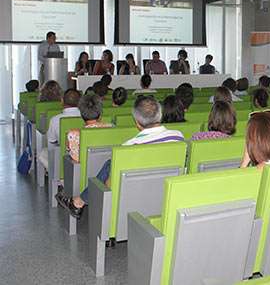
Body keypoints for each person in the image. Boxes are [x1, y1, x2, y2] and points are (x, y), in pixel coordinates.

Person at [56, 96, 185, 219]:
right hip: (167, 196)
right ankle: (78, 201)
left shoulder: (129, 147)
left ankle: (79, 202)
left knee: (109, 165)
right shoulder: (178, 137)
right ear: (160, 115)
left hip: (133, 199)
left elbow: (110, 184)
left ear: (137, 123)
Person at [66, 94, 112, 162]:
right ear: (100, 114)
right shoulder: (111, 128)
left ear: (81, 114)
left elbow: (76, 159)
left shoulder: (73, 134)